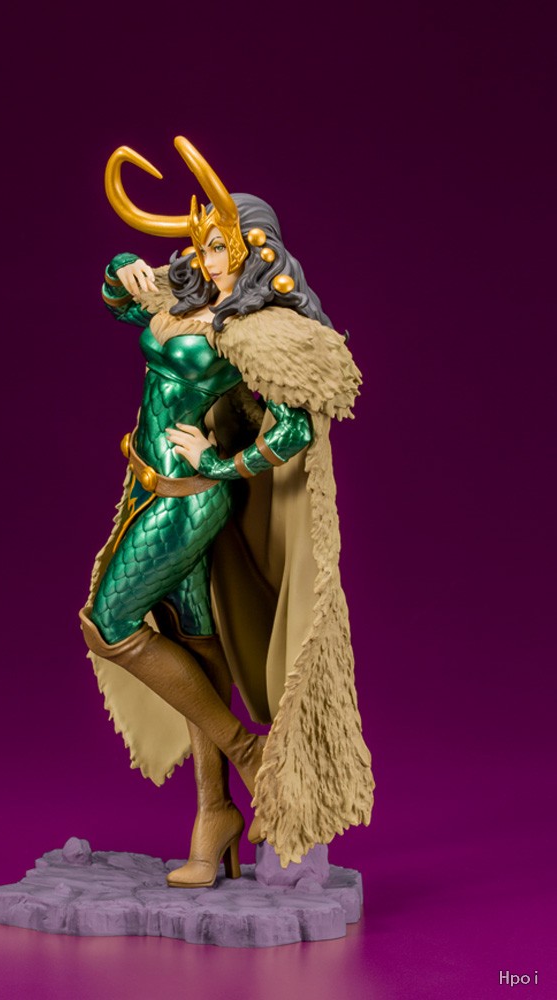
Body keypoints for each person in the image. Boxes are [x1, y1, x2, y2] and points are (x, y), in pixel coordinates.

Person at [79, 137, 374, 887]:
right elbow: (119, 301)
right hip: (147, 485)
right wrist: (123, 267)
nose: (205, 257)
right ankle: (213, 817)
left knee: (107, 625)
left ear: (255, 251)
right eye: (203, 242)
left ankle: (247, 752)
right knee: (196, 644)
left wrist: (217, 464)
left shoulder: (253, 329)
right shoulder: (185, 301)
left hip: (186, 500)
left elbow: (293, 429)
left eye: (220, 245)